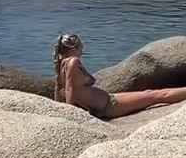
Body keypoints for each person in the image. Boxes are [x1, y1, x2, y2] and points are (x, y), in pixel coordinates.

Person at [53, 33, 186, 119]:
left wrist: (57, 107)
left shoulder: (61, 64)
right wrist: (70, 114)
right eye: (80, 47)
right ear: (73, 48)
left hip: (107, 100)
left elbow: (60, 88)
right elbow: (70, 88)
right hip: (108, 106)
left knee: (149, 93)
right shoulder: (73, 62)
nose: (82, 50)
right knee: (155, 96)